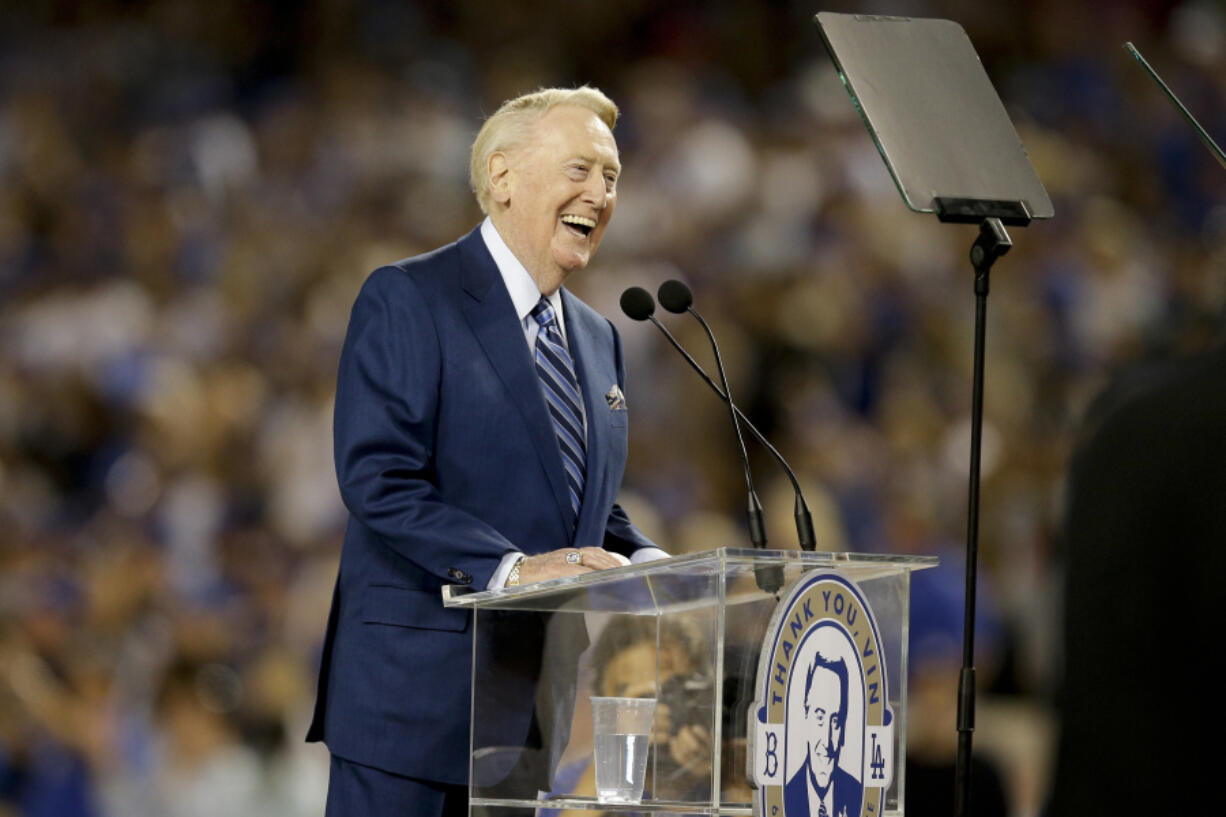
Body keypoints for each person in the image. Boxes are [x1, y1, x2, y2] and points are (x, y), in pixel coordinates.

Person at [306, 86, 667, 817]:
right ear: (503, 177)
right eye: (580, 169)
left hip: (527, 714)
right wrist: (512, 568)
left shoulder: (599, 339)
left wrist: (653, 564)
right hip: (409, 708)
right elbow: (379, 476)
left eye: (612, 177)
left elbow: (579, 500)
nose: (600, 193)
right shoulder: (410, 296)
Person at [784, 651, 861, 817]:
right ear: (805, 716)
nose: (827, 742)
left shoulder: (857, 795)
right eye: (820, 717)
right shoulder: (785, 795)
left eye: (835, 721)